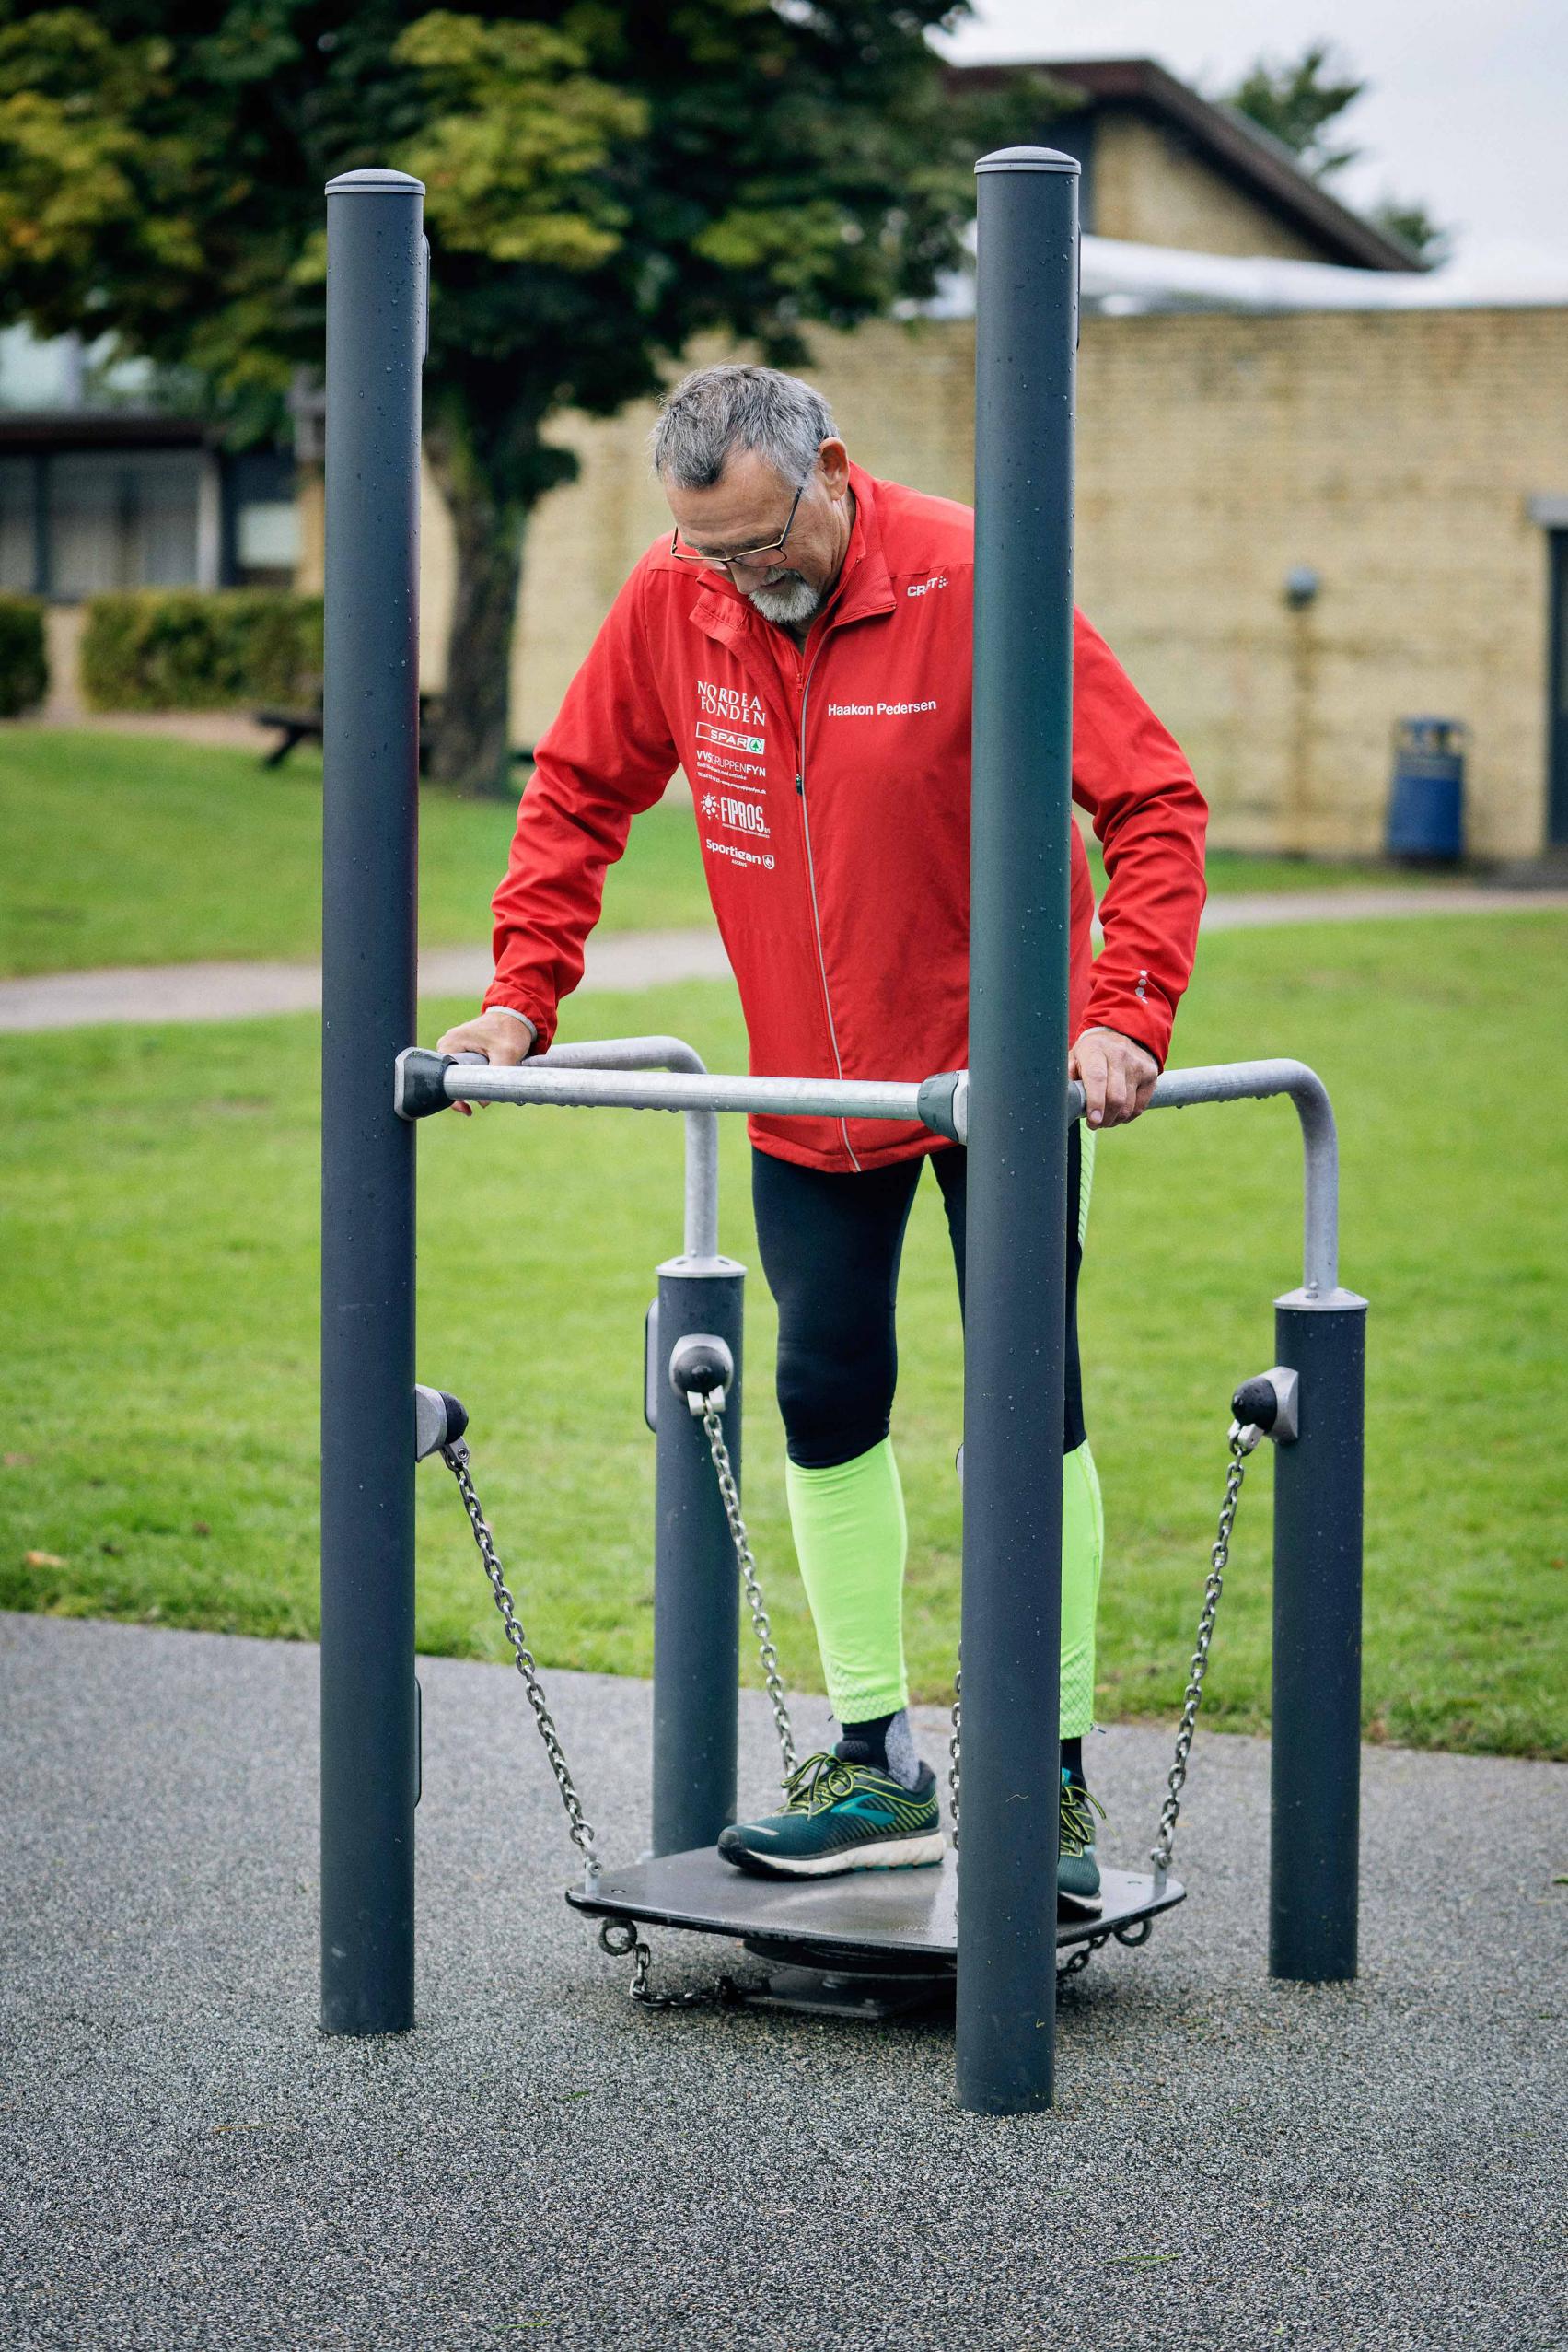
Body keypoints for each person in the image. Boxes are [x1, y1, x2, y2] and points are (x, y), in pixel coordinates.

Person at [437, 364, 1207, 1914]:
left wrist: (1126, 1008)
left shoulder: (975, 578)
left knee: (1027, 1400)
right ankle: (875, 1768)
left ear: (833, 469)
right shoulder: (679, 597)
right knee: (824, 1391)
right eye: (707, 550)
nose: (737, 577)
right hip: (815, 1080)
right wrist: (520, 995)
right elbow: (577, 791)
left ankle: (1047, 1776)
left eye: (761, 542)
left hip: (1003, 1074)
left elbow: (1153, 803)